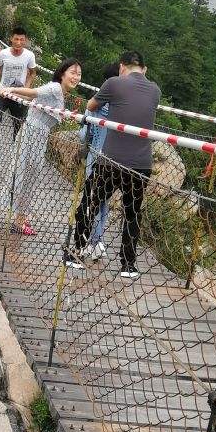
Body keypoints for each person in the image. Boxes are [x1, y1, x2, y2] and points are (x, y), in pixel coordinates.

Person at [67, 51, 161, 280]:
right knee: (132, 214)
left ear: (121, 67)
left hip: (111, 161)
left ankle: (76, 252)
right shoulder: (156, 90)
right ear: (145, 69)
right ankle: (128, 265)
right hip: (141, 165)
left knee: (90, 203)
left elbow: (91, 105)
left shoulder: (114, 83)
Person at [1, 58, 82, 235]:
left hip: (38, 135)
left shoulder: (60, 92)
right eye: (73, 73)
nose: (76, 77)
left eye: (79, 74)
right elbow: (32, 93)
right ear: (62, 74)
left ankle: (20, 218)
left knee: (30, 176)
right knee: (26, 175)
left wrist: (66, 114)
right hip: (32, 134)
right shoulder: (54, 88)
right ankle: (18, 220)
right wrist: (10, 90)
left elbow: (44, 106)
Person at [79, 62, 119, 259]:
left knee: (92, 199)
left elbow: (83, 133)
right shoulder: (122, 108)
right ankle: (98, 241)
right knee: (103, 202)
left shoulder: (95, 104)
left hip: (95, 156)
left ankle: (92, 241)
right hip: (114, 159)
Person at [0, 26, 37, 154]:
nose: (18, 42)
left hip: (18, 96)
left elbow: (32, 73)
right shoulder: (4, 53)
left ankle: (16, 156)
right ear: (11, 39)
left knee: (18, 127)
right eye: (16, 39)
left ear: (25, 41)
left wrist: (26, 88)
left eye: (21, 40)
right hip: (2, 94)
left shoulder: (29, 56)